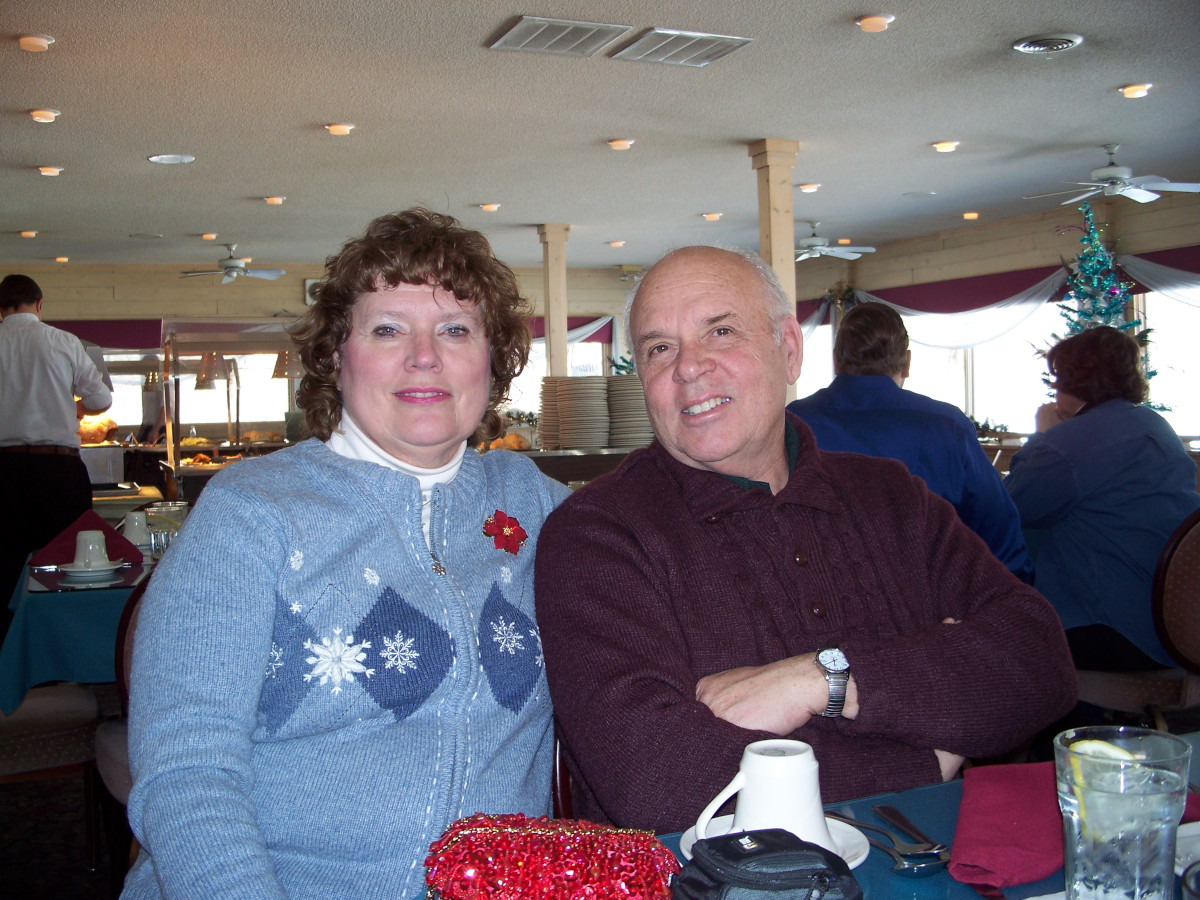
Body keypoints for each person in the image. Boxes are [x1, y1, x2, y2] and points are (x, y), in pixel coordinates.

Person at [535, 246, 1077, 834]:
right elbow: (659, 782)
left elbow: (1040, 661)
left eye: (720, 331)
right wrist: (923, 757)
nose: (688, 367)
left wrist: (821, 679)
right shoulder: (598, 534)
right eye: (659, 348)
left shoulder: (891, 497)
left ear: (789, 350)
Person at [123, 209, 572, 900]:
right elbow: (186, 774)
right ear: (337, 357)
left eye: (456, 329)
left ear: (494, 359)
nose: (424, 356)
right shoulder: (252, 512)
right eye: (388, 329)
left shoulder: (534, 504)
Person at [788, 302, 1032, 581]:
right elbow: (1000, 538)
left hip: (816, 592)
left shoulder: (792, 423)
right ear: (907, 362)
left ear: (835, 360)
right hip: (927, 596)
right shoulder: (947, 426)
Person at [1005, 325, 1200, 673]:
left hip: (1110, 627)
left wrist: (1041, 435)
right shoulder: (1155, 426)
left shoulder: (1072, 440)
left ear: (1076, 381)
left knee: (991, 631)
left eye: (1059, 379)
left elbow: (1014, 506)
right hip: (1174, 624)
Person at [0, 274, 112, 620]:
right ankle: (63, 634)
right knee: (66, 560)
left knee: (5, 563)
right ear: (39, 304)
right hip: (58, 469)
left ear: (1, 309)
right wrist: (76, 407)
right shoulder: (63, 341)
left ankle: (10, 644)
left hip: (4, 470)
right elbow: (101, 399)